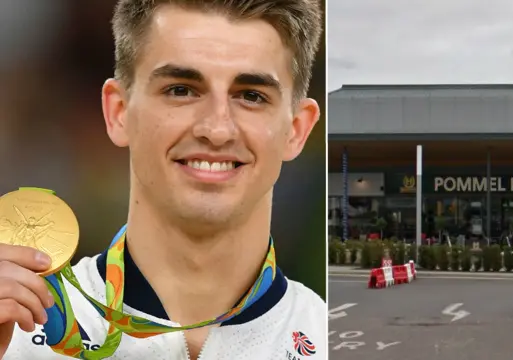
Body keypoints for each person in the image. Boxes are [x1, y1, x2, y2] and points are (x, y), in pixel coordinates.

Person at [0, 0, 325, 359]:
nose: (216, 129)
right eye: (181, 90)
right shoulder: (18, 333)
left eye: (251, 96)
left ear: (297, 130)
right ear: (118, 112)